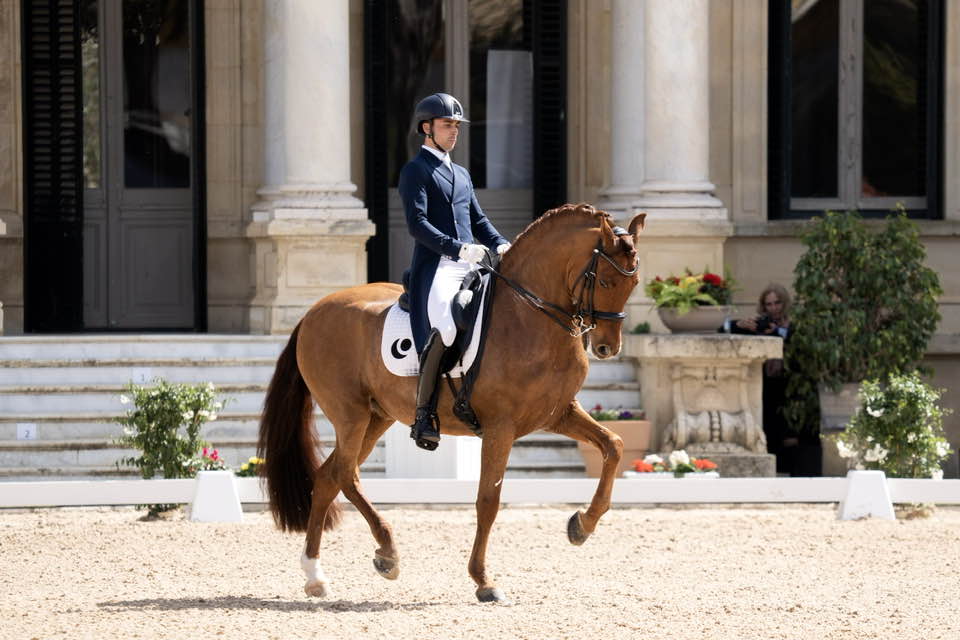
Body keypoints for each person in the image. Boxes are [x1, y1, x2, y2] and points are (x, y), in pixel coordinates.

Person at [398, 92, 511, 452]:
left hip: (471, 262)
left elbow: (478, 220)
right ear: (426, 128)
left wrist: (502, 244)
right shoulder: (415, 170)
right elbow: (417, 225)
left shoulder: (460, 173)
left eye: (456, 126)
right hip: (439, 267)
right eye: (447, 125)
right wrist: (457, 248)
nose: (454, 132)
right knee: (446, 327)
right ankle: (424, 413)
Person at [725, 283, 819, 475]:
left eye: (777, 303)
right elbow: (721, 329)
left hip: (794, 390)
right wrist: (739, 324)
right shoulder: (761, 324)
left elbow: (800, 348)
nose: (774, 308)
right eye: (769, 304)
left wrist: (776, 333)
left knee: (796, 440)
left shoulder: (797, 325)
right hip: (769, 390)